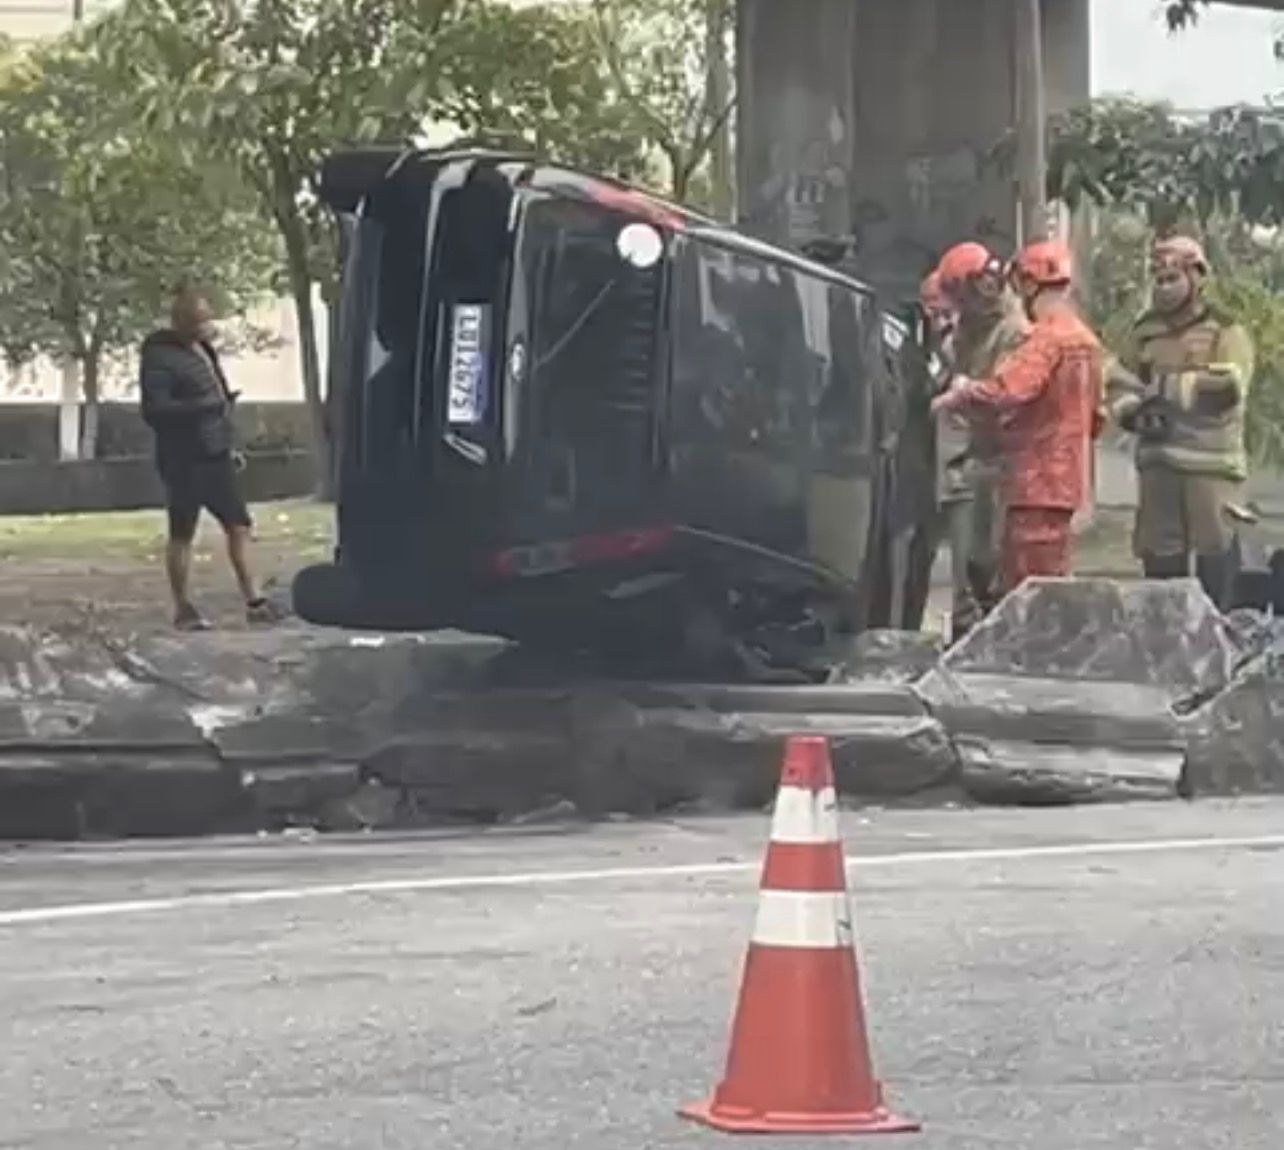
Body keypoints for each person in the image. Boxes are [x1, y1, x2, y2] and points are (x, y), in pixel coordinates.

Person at [932, 240, 1104, 594]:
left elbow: (1010, 390)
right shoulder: (1086, 341)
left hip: (1032, 481)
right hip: (1065, 483)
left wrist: (963, 392)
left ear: (1028, 282)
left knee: (1027, 590)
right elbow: (1097, 416)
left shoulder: (1046, 340)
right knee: (1049, 584)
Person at [1105, 235, 1255, 608]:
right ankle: (1168, 645)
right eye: (1158, 278)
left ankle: (1220, 644)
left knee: (1215, 559)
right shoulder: (1145, 332)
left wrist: (1168, 388)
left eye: (1173, 278)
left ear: (1197, 277)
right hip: (1158, 467)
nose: (1164, 287)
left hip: (1211, 468)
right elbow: (1118, 382)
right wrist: (1135, 415)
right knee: (1160, 563)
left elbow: (1228, 386)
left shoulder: (1224, 329)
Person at [139, 285, 279, 630]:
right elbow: (155, 410)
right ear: (183, 324)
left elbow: (217, 400)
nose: (208, 327)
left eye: (208, 320)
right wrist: (206, 407)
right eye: (201, 322)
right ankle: (183, 608)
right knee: (183, 533)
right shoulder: (159, 357)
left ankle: (255, 601)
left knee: (239, 525)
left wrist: (228, 442)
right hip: (183, 459)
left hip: (215, 454)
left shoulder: (202, 349)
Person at [931, 241, 1031, 638]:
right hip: (972, 457)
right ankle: (970, 636)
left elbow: (1006, 392)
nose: (959, 306)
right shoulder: (969, 329)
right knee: (969, 567)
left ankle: (991, 640)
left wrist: (966, 390)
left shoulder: (1015, 331)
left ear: (983, 286)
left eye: (962, 296)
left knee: (988, 564)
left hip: (1001, 459)